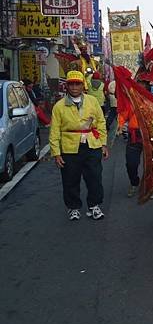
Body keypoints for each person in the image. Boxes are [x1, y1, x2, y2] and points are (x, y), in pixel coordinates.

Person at [49, 71, 109, 221]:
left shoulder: (92, 101)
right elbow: (54, 131)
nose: (75, 87)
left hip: (92, 144)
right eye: (71, 84)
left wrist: (103, 144)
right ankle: (74, 207)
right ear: (67, 86)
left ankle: (94, 205)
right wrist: (56, 153)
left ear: (83, 85)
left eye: (78, 83)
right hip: (69, 147)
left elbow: (101, 122)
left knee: (95, 177)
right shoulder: (59, 106)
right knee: (70, 179)